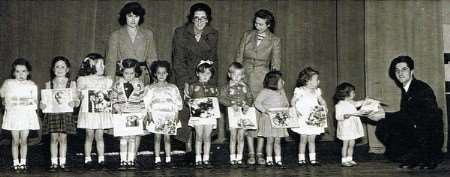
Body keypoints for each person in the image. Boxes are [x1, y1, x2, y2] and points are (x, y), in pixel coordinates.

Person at [372, 56, 443, 169]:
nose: (400, 73)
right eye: (397, 70)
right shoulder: (408, 87)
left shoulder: (420, 88)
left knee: (384, 124)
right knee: (384, 125)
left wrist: (384, 115)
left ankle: (426, 157)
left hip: (428, 134)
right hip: (419, 128)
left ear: (412, 71)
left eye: (404, 69)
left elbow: (415, 116)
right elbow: (407, 114)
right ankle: (412, 157)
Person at [235, 9, 281, 165]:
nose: (257, 25)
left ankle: (261, 153)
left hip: (263, 80)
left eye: (261, 24)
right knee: (248, 116)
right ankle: (251, 153)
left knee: (261, 117)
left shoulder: (275, 40)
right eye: (256, 23)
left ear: (268, 25)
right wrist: (237, 79)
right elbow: (238, 58)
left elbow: (275, 64)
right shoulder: (247, 35)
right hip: (245, 78)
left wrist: (275, 83)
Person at [172, 3, 220, 149]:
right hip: (185, 75)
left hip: (205, 76)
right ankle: (187, 143)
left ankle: (202, 143)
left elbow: (212, 60)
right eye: (196, 18)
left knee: (204, 111)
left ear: (208, 20)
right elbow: (178, 60)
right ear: (192, 19)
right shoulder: (180, 32)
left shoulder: (213, 34)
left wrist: (208, 80)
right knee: (185, 110)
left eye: (203, 18)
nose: (199, 22)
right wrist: (185, 82)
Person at [1, 58, 40, 172]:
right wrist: (4, 100)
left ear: (28, 72)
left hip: (26, 115)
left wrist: (35, 103)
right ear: (13, 73)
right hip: (14, 115)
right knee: (15, 140)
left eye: (23, 71)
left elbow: (34, 100)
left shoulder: (31, 84)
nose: (21, 74)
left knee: (24, 140)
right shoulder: (8, 83)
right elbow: (3, 94)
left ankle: (23, 162)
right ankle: (15, 162)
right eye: (17, 71)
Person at [40, 56, 79, 172]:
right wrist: (42, 105)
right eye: (57, 66)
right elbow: (44, 100)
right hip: (53, 114)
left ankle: (62, 162)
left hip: (66, 114)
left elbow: (77, 100)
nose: (60, 69)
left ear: (67, 69)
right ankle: (53, 162)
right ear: (53, 69)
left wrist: (75, 103)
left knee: (63, 138)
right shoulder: (48, 84)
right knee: (53, 138)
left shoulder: (72, 84)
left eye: (63, 67)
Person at [106, 2, 157, 85]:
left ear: (140, 17)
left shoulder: (148, 34)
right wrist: (110, 84)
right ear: (124, 16)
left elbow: (152, 60)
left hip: (142, 78)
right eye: (130, 16)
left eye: (136, 16)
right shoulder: (115, 35)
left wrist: (156, 80)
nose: (133, 20)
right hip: (121, 78)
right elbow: (110, 62)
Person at [144, 60, 183, 169]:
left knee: (167, 138)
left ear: (167, 74)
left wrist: (176, 115)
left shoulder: (172, 87)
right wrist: (149, 115)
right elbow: (147, 103)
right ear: (155, 74)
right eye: (159, 73)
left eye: (164, 73)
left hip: (169, 116)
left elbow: (177, 102)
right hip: (156, 116)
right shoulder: (151, 88)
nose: (161, 75)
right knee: (157, 138)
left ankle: (168, 158)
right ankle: (157, 159)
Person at [77, 53, 113, 169]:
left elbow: (109, 96)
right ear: (91, 65)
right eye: (100, 64)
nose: (103, 66)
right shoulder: (83, 80)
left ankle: (101, 158)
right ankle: (87, 158)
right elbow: (78, 95)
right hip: (88, 113)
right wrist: (79, 97)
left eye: (103, 64)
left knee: (100, 135)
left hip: (101, 112)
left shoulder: (107, 80)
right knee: (89, 135)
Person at [110, 58, 146, 170]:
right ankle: (122, 160)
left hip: (134, 114)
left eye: (132, 73)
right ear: (122, 72)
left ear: (135, 73)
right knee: (123, 138)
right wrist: (116, 106)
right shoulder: (117, 84)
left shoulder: (140, 84)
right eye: (126, 73)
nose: (129, 75)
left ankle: (130, 160)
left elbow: (142, 100)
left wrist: (142, 114)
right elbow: (113, 98)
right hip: (122, 114)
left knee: (132, 138)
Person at [291, 67, 328, 166]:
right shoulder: (300, 91)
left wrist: (325, 107)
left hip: (314, 119)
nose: (318, 81)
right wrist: (295, 110)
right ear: (307, 81)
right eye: (316, 79)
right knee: (303, 139)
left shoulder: (317, 91)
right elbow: (293, 102)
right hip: (303, 118)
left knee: (312, 140)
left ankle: (313, 159)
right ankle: (301, 159)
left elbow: (322, 101)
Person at [219, 62, 253, 168]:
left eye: (240, 75)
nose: (237, 77)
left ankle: (239, 158)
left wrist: (247, 105)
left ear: (243, 75)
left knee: (241, 136)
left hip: (243, 114)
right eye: (235, 75)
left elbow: (250, 97)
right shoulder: (226, 87)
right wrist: (230, 104)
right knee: (233, 136)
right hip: (232, 114)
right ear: (229, 75)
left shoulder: (245, 86)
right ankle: (232, 157)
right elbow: (221, 98)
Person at [186, 61, 219, 169]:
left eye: (208, 74)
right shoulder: (193, 86)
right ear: (197, 73)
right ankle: (198, 159)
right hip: (198, 116)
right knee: (199, 136)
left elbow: (216, 100)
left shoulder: (213, 88)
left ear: (211, 75)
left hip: (209, 116)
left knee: (207, 137)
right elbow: (187, 98)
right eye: (202, 73)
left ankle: (206, 158)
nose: (205, 76)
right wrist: (189, 102)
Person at [254, 70, 289, 168]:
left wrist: (286, 107)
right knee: (270, 141)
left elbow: (286, 103)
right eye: (281, 81)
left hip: (279, 120)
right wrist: (265, 111)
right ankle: (269, 159)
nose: (283, 82)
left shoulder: (282, 91)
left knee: (277, 141)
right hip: (268, 120)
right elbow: (257, 103)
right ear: (273, 82)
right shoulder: (265, 92)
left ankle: (278, 159)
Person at [334, 82, 366, 167]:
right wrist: (344, 116)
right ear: (346, 93)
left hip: (353, 127)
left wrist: (365, 101)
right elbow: (337, 117)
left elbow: (358, 103)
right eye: (353, 92)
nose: (354, 94)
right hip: (345, 127)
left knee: (352, 144)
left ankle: (350, 159)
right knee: (345, 144)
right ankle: (344, 160)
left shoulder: (351, 102)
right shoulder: (339, 105)